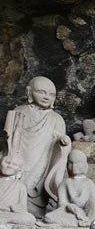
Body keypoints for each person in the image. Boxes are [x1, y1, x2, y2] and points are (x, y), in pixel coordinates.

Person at [3, 76, 71, 215]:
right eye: (41, 92)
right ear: (29, 92)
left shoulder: (57, 119)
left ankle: (35, 206)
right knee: (16, 177)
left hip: (43, 160)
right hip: (20, 155)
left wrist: (64, 142)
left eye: (51, 94)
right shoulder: (20, 111)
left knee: (37, 189)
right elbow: (9, 139)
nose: (46, 97)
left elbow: (60, 142)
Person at [42, 150, 95, 227]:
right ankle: (86, 221)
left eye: (78, 163)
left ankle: (90, 220)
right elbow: (61, 204)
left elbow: (94, 201)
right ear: (67, 165)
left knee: (94, 204)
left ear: (85, 165)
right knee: (48, 217)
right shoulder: (64, 183)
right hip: (71, 213)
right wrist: (71, 207)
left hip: (87, 212)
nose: (74, 166)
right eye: (71, 163)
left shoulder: (89, 183)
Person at [0, 157, 35, 225]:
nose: (10, 166)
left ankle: (4, 220)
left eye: (14, 164)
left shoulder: (20, 186)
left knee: (29, 218)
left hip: (8, 214)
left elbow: (23, 208)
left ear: (19, 169)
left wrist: (15, 208)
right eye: (7, 162)